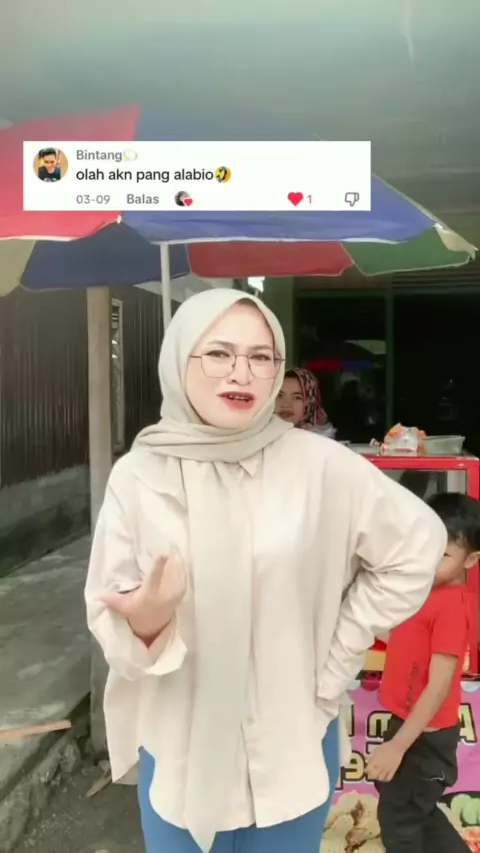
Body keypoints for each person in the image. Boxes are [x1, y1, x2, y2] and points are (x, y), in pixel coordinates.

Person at [85, 289, 446, 853]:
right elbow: (113, 618)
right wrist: (148, 622)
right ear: (179, 360)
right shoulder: (139, 475)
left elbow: (416, 546)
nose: (242, 372)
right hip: (182, 750)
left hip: (291, 744)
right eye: (219, 353)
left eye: (261, 356)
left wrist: (338, 657)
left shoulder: (318, 465)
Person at [367, 492, 480, 853]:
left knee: (399, 821)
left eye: (442, 555)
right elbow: (403, 640)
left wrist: (398, 746)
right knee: (417, 812)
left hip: (426, 737)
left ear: (471, 560)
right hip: (409, 723)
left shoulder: (451, 606)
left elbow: (439, 684)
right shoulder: (424, 593)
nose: (428, 562)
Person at [275, 367, 334, 435]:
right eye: (279, 395)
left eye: (297, 397)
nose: (286, 404)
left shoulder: (320, 439)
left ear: (310, 402)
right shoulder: (265, 433)